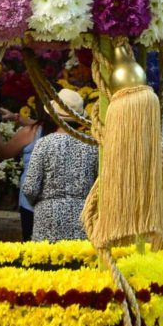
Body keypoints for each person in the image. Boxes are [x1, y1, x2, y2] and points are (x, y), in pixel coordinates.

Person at [20, 90, 97, 243]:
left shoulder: (43, 144)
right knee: (81, 264)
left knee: (47, 263)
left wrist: (43, 203)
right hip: (81, 217)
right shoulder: (91, 146)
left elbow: (30, 188)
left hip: (47, 217)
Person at [0, 99, 41, 241]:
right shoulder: (71, 132)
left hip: (31, 202)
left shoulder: (29, 133)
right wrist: (16, 118)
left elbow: (4, 152)